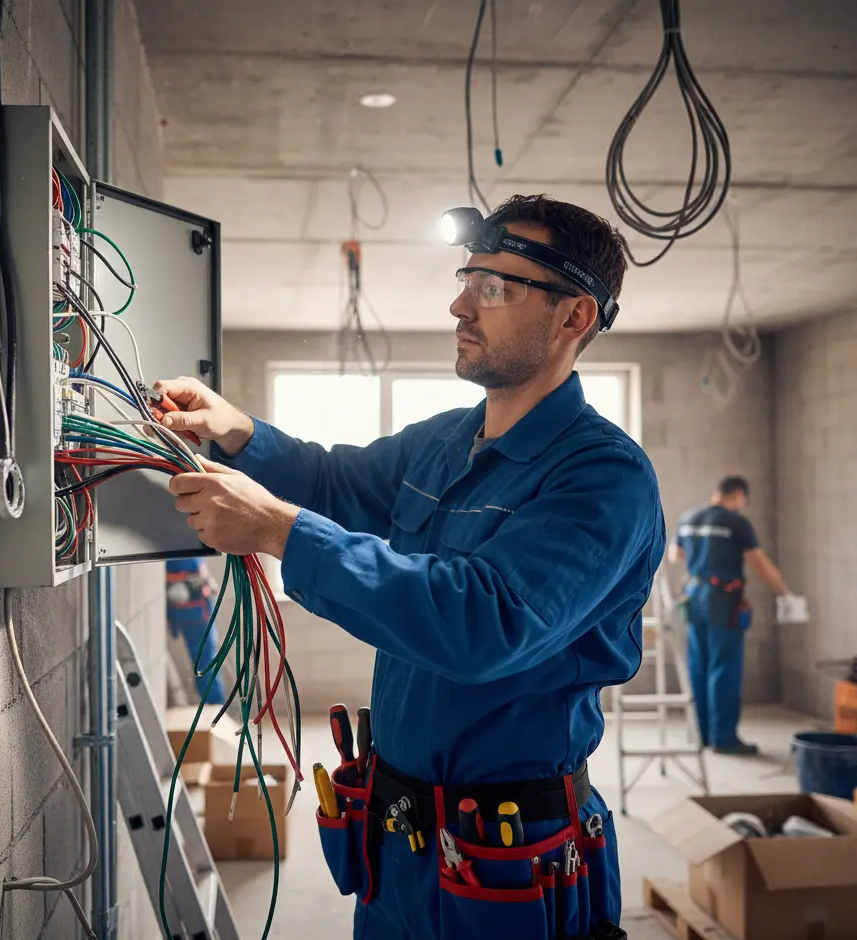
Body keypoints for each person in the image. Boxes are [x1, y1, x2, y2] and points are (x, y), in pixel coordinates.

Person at [157, 194, 665, 939]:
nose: (460, 305)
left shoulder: (602, 477)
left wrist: (278, 531)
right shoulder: (442, 441)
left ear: (573, 318)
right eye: (468, 278)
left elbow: (482, 623)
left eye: (495, 287)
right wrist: (236, 433)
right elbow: (334, 481)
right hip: (399, 842)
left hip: (512, 861)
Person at [668, 476, 790, 756]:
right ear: (737, 495)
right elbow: (759, 562)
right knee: (724, 665)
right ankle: (724, 738)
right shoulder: (736, 522)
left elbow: (675, 554)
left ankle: (703, 735)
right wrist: (784, 592)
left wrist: (703, 558)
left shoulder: (689, 517)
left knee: (699, 663)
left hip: (694, 594)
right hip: (722, 599)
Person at [165, 556, 227, 705]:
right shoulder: (182, 551)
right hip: (193, 612)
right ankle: (215, 707)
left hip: (194, 610)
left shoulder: (185, 547)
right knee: (205, 664)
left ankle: (215, 708)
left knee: (205, 663)